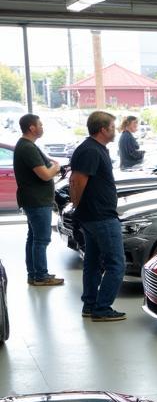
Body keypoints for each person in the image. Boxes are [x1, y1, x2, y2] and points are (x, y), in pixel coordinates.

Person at [69, 111, 125, 321]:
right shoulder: (91, 151)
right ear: (103, 129)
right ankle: (102, 308)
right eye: (113, 126)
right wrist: (78, 206)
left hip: (94, 216)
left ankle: (90, 305)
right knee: (116, 264)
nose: (115, 130)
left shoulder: (95, 149)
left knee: (93, 262)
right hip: (100, 217)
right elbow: (77, 181)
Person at [13, 113, 63, 287]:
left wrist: (51, 166)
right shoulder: (27, 147)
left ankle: (34, 274)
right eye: (40, 124)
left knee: (33, 237)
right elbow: (45, 174)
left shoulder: (27, 145)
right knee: (41, 239)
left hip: (33, 200)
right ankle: (41, 276)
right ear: (32, 127)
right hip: (37, 201)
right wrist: (56, 168)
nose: (42, 127)